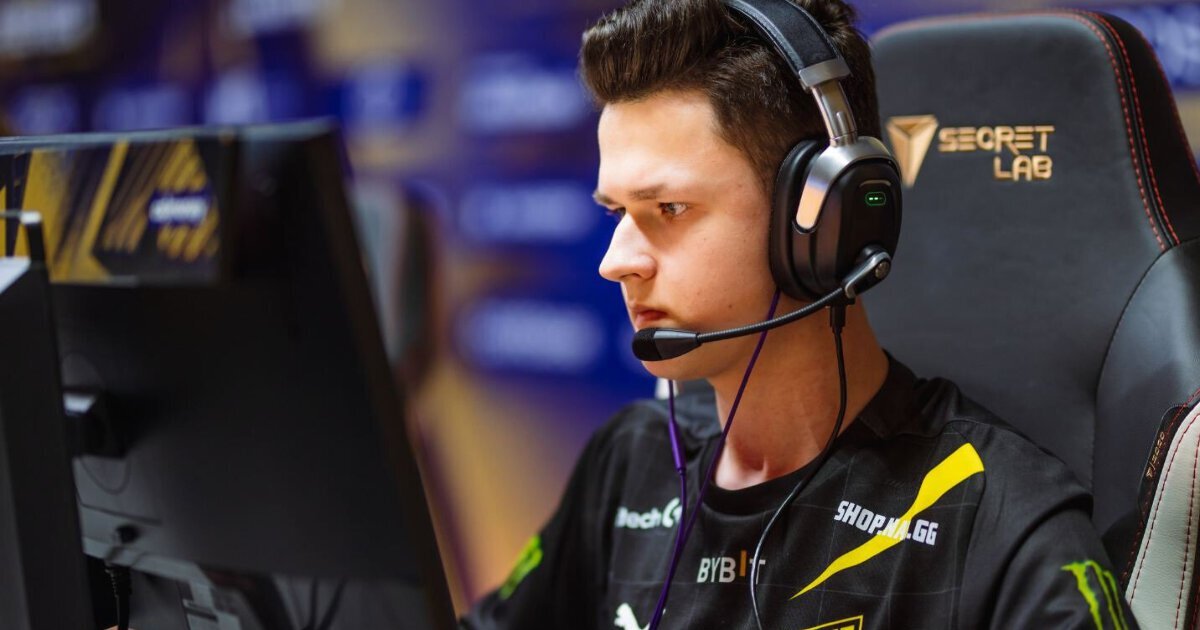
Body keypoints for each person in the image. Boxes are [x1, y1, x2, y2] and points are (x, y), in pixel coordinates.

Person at [463, 0, 1136, 628]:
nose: (616, 262)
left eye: (669, 209)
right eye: (617, 212)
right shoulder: (632, 460)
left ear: (820, 219)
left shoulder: (997, 521)